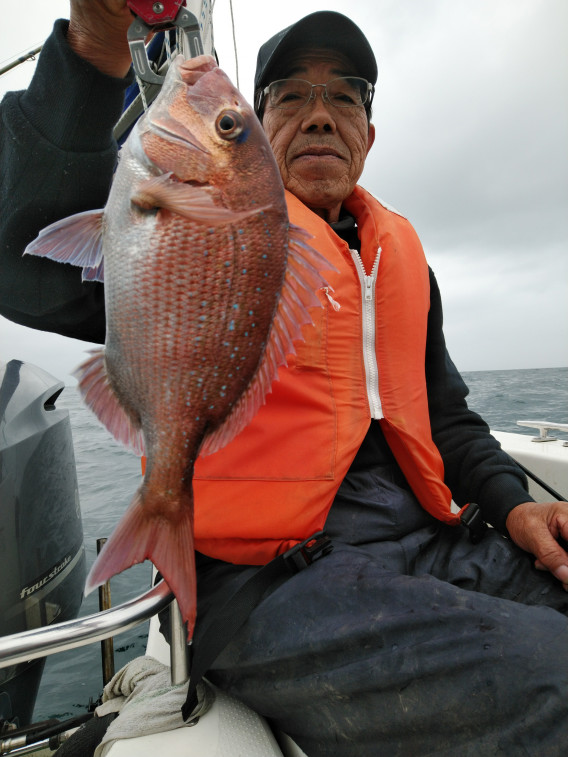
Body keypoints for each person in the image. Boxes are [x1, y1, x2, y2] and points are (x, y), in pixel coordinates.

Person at [1, 3, 568, 755]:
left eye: (346, 95)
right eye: (291, 95)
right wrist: (95, 50)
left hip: (430, 542)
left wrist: (513, 505)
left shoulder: (399, 258)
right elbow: (24, 261)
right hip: (272, 580)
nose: (322, 115)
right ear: (262, 128)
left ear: (371, 133)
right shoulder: (196, 227)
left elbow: (448, 418)